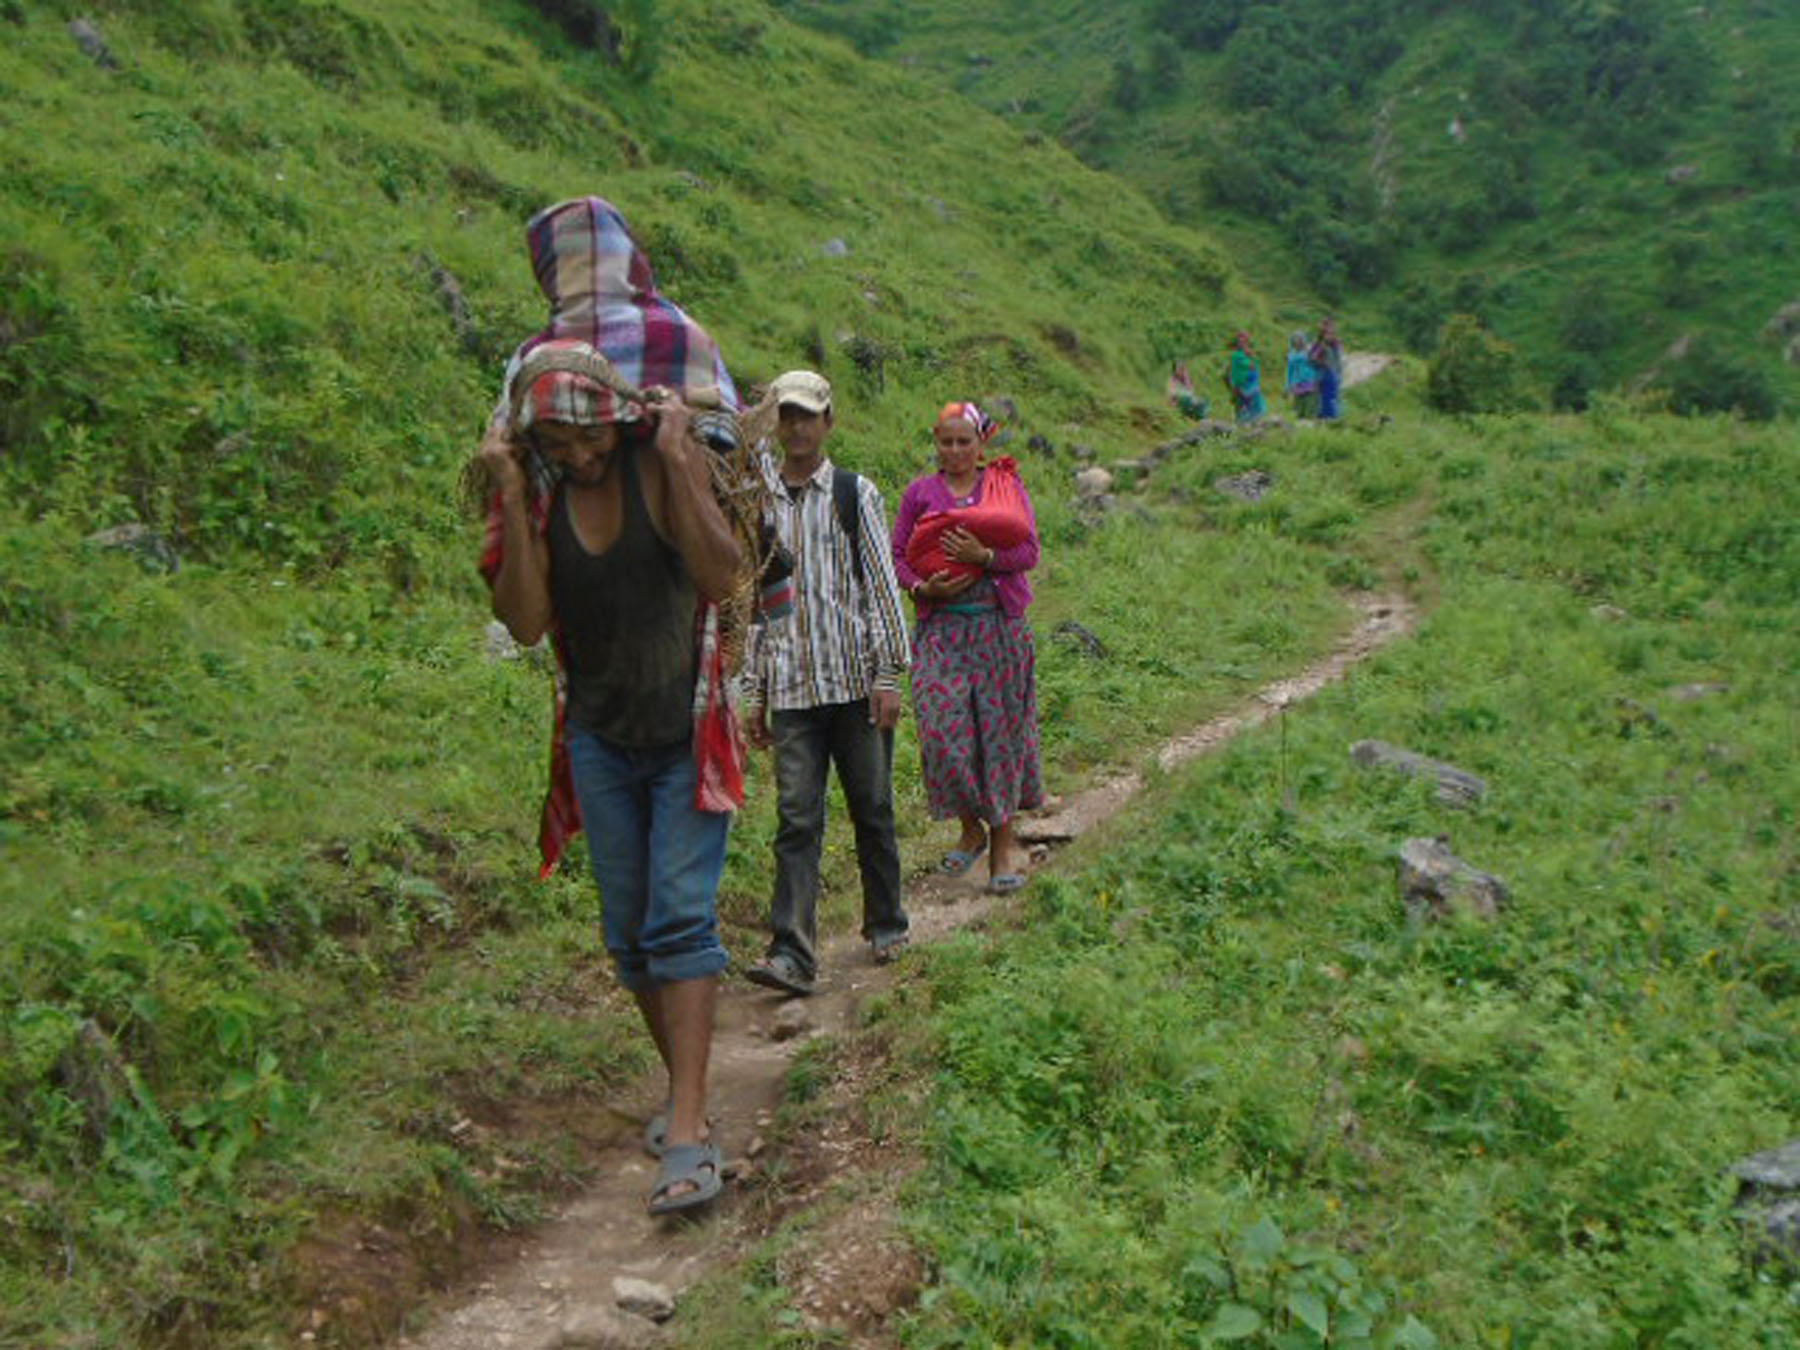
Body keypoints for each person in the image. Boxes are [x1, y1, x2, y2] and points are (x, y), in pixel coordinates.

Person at [474, 196, 747, 1217]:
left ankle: (688, 1125)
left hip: (685, 726)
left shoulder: (654, 462)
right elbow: (531, 623)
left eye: (590, 444)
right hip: (596, 732)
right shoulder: (541, 488)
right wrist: (510, 493)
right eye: (561, 447)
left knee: (678, 920)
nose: (581, 458)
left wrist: (678, 459)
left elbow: (721, 580)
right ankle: (685, 1097)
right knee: (628, 939)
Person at [741, 370, 912, 998]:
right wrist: (754, 691)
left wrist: (888, 672)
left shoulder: (852, 493)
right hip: (790, 690)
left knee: (872, 806)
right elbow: (761, 599)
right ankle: (792, 953)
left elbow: (880, 587)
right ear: (777, 424)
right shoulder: (760, 504)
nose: (797, 427)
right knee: (796, 820)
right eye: (787, 416)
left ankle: (887, 923)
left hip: (853, 682)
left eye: (808, 416)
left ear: (828, 422)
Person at [891, 402, 1043, 895]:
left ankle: (1001, 849)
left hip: (998, 629)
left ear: (981, 444)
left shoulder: (1002, 487)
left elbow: (1028, 552)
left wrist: (986, 558)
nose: (955, 451)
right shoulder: (921, 494)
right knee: (942, 734)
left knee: (1000, 739)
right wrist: (921, 589)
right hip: (942, 634)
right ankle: (969, 828)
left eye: (964, 442)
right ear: (936, 441)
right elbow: (897, 556)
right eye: (946, 442)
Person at [1226, 330, 1266, 424]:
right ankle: (1242, 425)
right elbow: (1242, 368)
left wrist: (1251, 356)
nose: (1242, 343)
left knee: (1256, 408)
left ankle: (1254, 424)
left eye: (1244, 341)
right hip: (1241, 386)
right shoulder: (1237, 355)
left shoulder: (1249, 354)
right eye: (1240, 341)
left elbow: (1255, 366)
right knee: (1242, 408)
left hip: (1252, 385)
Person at [1310, 316, 1345, 420]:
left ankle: (1333, 416)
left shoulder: (1336, 344)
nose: (1328, 333)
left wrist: (1338, 372)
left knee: (1332, 395)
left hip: (1332, 374)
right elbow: (1311, 358)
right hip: (1320, 374)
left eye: (1331, 331)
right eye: (1326, 330)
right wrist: (1320, 361)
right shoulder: (1318, 344)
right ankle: (1321, 416)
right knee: (1320, 396)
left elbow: (1338, 359)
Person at [1285, 331, 1318, 419]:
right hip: (1297, 382)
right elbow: (1289, 370)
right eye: (1295, 341)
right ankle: (1301, 424)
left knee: (1310, 404)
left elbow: (1315, 365)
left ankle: (1310, 422)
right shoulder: (1291, 355)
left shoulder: (1308, 352)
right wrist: (1287, 385)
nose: (1297, 343)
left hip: (1310, 380)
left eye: (1299, 340)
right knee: (1298, 408)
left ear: (1303, 341)